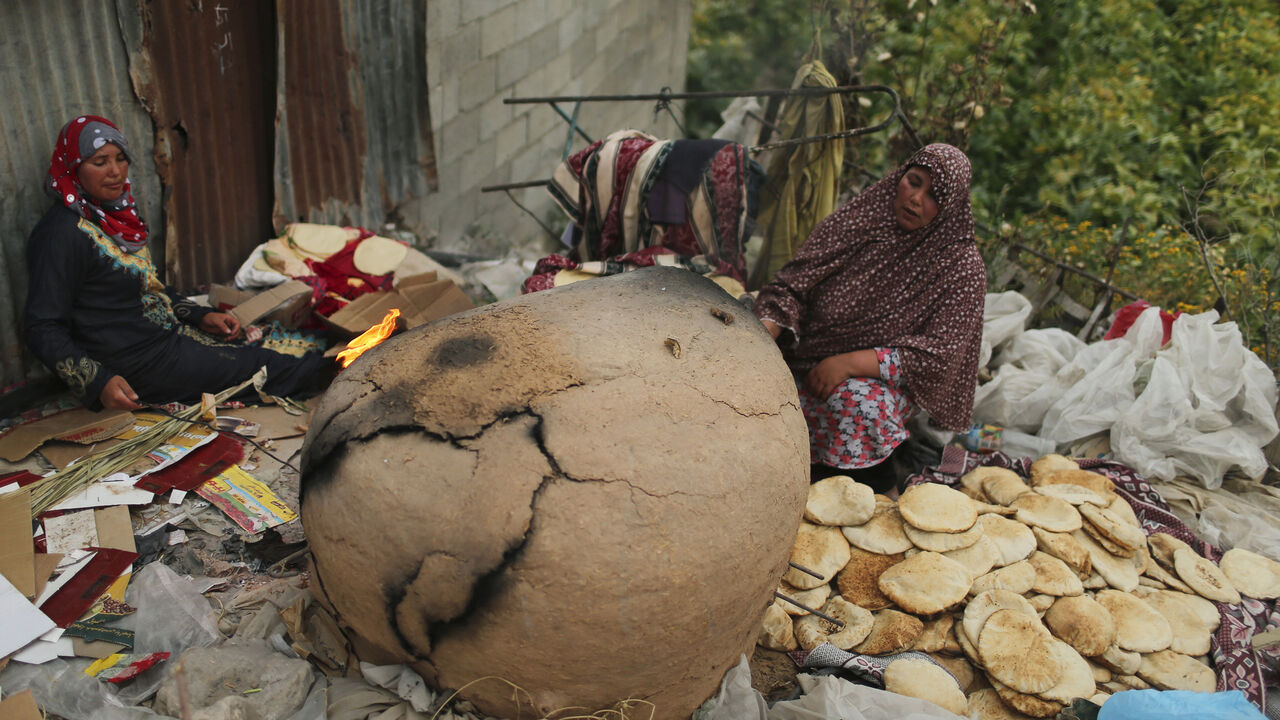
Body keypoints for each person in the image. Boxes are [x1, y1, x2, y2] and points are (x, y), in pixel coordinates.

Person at [24, 115, 330, 411]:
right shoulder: (61, 234)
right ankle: (349, 374)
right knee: (274, 370)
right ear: (74, 168)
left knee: (273, 344)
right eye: (100, 162)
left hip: (164, 340)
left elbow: (146, 287)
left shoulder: (110, 217)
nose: (116, 171)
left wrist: (198, 315)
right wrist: (98, 381)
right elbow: (42, 326)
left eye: (120, 158)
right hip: (136, 365)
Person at [752, 143, 985, 491]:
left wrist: (848, 363)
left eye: (934, 194)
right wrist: (761, 336)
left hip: (877, 380)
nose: (916, 198)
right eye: (913, 181)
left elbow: (939, 357)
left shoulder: (960, 267)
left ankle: (865, 483)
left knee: (858, 404)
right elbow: (792, 286)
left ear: (950, 206)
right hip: (804, 354)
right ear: (900, 177)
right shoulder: (862, 220)